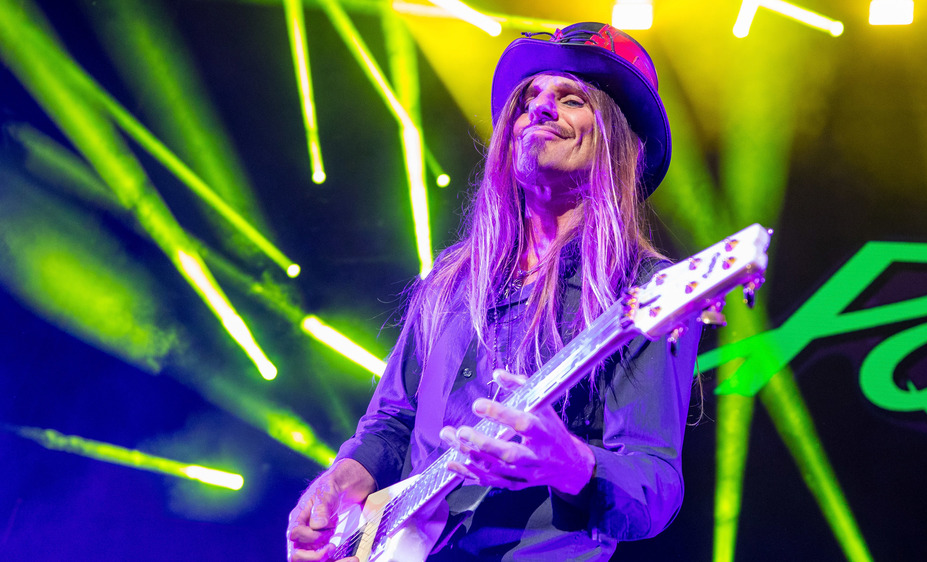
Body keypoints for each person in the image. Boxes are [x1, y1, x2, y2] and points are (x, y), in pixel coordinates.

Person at [287, 22, 700, 561]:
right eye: (530, 98)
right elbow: (391, 425)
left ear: (619, 143)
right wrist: (339, 484)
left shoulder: (645, 291)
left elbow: (655, 488)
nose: (541, 109)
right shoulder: (449, 281)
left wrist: (570, 464)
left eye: (571, 99)